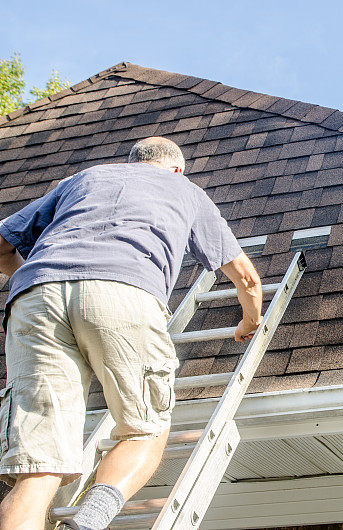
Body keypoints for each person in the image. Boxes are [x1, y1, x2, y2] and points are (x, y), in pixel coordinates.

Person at [0, 137, 263, 530]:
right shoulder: (184, 189)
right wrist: (250, 321)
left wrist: (36, 274)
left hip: (35, 299)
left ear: (132, 162)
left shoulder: (81, 180)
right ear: (176, 169)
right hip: (124, 291)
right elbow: (245, 276)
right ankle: (88, 523)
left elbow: (2, 245)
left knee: (38, 464)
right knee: (146, 429)